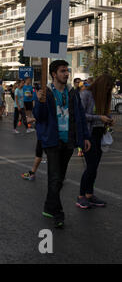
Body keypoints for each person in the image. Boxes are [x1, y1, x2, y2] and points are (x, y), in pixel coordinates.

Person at [34, 60, 91, 228]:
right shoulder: (47, 92)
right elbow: (40, 117)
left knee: (60, 179)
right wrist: (39, 101)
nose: (66, 74)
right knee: (55, 177)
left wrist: (85, 137)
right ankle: (58, 213)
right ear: (54, 74)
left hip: (69, 141)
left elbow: (80, 115)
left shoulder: (72, 92)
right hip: (52, 140)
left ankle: (48, 205)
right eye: (62, 71)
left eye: (67, 70)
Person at [76, 74, 115, 209]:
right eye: (107, 88)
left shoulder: (104, 97)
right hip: (88, 135)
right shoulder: (86, 94)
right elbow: (80, 115)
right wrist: (100, 118)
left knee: (94, 167)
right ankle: (81, 196)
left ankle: (89, 195)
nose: (108, 91)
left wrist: (109, 119)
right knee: (91, 167)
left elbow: (104, 114)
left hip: (99, 135)